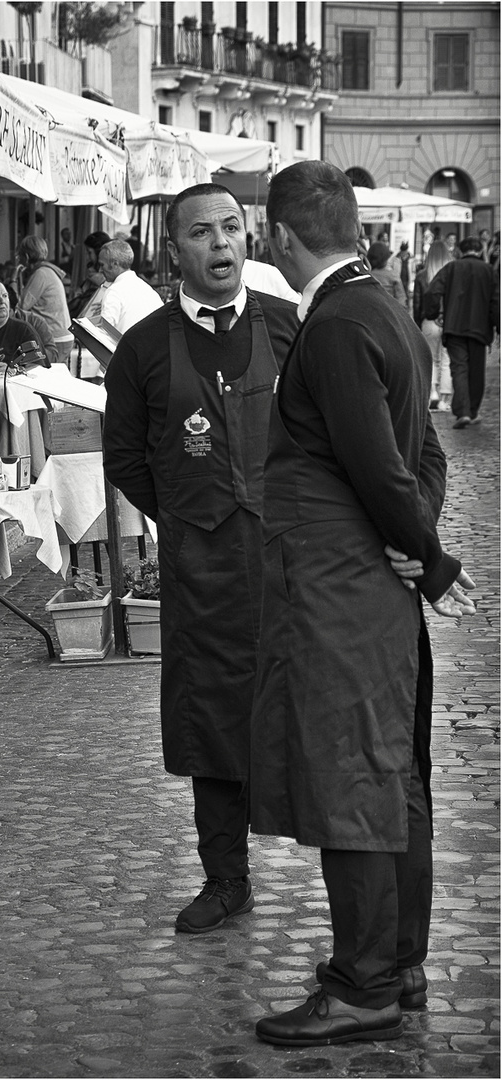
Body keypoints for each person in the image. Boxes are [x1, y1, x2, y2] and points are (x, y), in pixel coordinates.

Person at [249, 161, 475, 1048]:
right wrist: (414, 536)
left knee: (354, 779)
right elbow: (424, 456)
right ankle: (399, 962)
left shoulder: (340, 322)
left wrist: (427, 553)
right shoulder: (382, 305)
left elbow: (381, 465)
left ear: (280, 238)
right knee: (390, 776)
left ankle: (363, 983)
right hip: (365, 582)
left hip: (341, 588)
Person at [103, 183, 299, 935]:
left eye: (231, 229)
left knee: (304, 714)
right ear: (174, 250)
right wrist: (186, 515)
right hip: (202, 572)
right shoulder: (145, 348)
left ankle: (342, 870)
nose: (220, 245)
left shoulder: (289, 329)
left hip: (288, 567)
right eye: (201, 234)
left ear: (248, 239)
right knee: (212, 722)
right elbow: (125, 455)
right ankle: (226, 879)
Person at [424, 236, 500, 429]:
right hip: (479, 329)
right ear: (478, 250)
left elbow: (433, 291)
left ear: (461, 250)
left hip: (454, 326)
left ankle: (463, 411)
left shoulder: (451, 268)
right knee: (476, 371)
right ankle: (472, 411)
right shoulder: (489, 271)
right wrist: (497, 326)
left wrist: (434, 313)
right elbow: (496, 301)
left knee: (459, 368)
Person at [15, 236, 74, 367]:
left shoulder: (41, 274)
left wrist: (14, 276)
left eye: (20, 256)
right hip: (62, 335)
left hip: (55, 337)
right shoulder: (47, 271)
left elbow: (20, 308)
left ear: (26, 256)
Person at [412, 240, 454, 410]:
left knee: (430, 359)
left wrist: (417, 323)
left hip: (428, 321)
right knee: (447, 360)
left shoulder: (423, 275)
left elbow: (417, 303)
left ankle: (432, 394)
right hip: (449, 320)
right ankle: (445, 399)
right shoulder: (453, 273)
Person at [96, 240, 164, 334]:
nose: (100, 270)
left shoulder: (114, 291)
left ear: (115, 264)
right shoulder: (149, 291)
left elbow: (103, 334)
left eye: (102, 265)